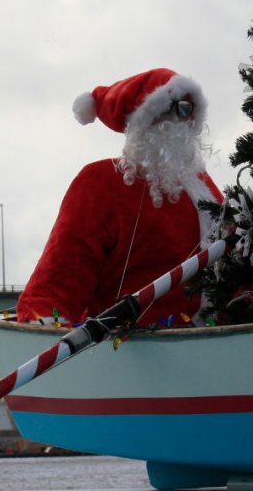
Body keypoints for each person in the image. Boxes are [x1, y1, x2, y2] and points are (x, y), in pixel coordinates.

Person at [17, 68, 223, 327]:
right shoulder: (100, 183)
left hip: (211, 339)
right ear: (143, 119)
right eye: (168, 108)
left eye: (187, 110)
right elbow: (58, 281)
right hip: (127, 345)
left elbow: (238, 262)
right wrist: (44, 324)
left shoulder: (202, 189)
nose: (179, 120)